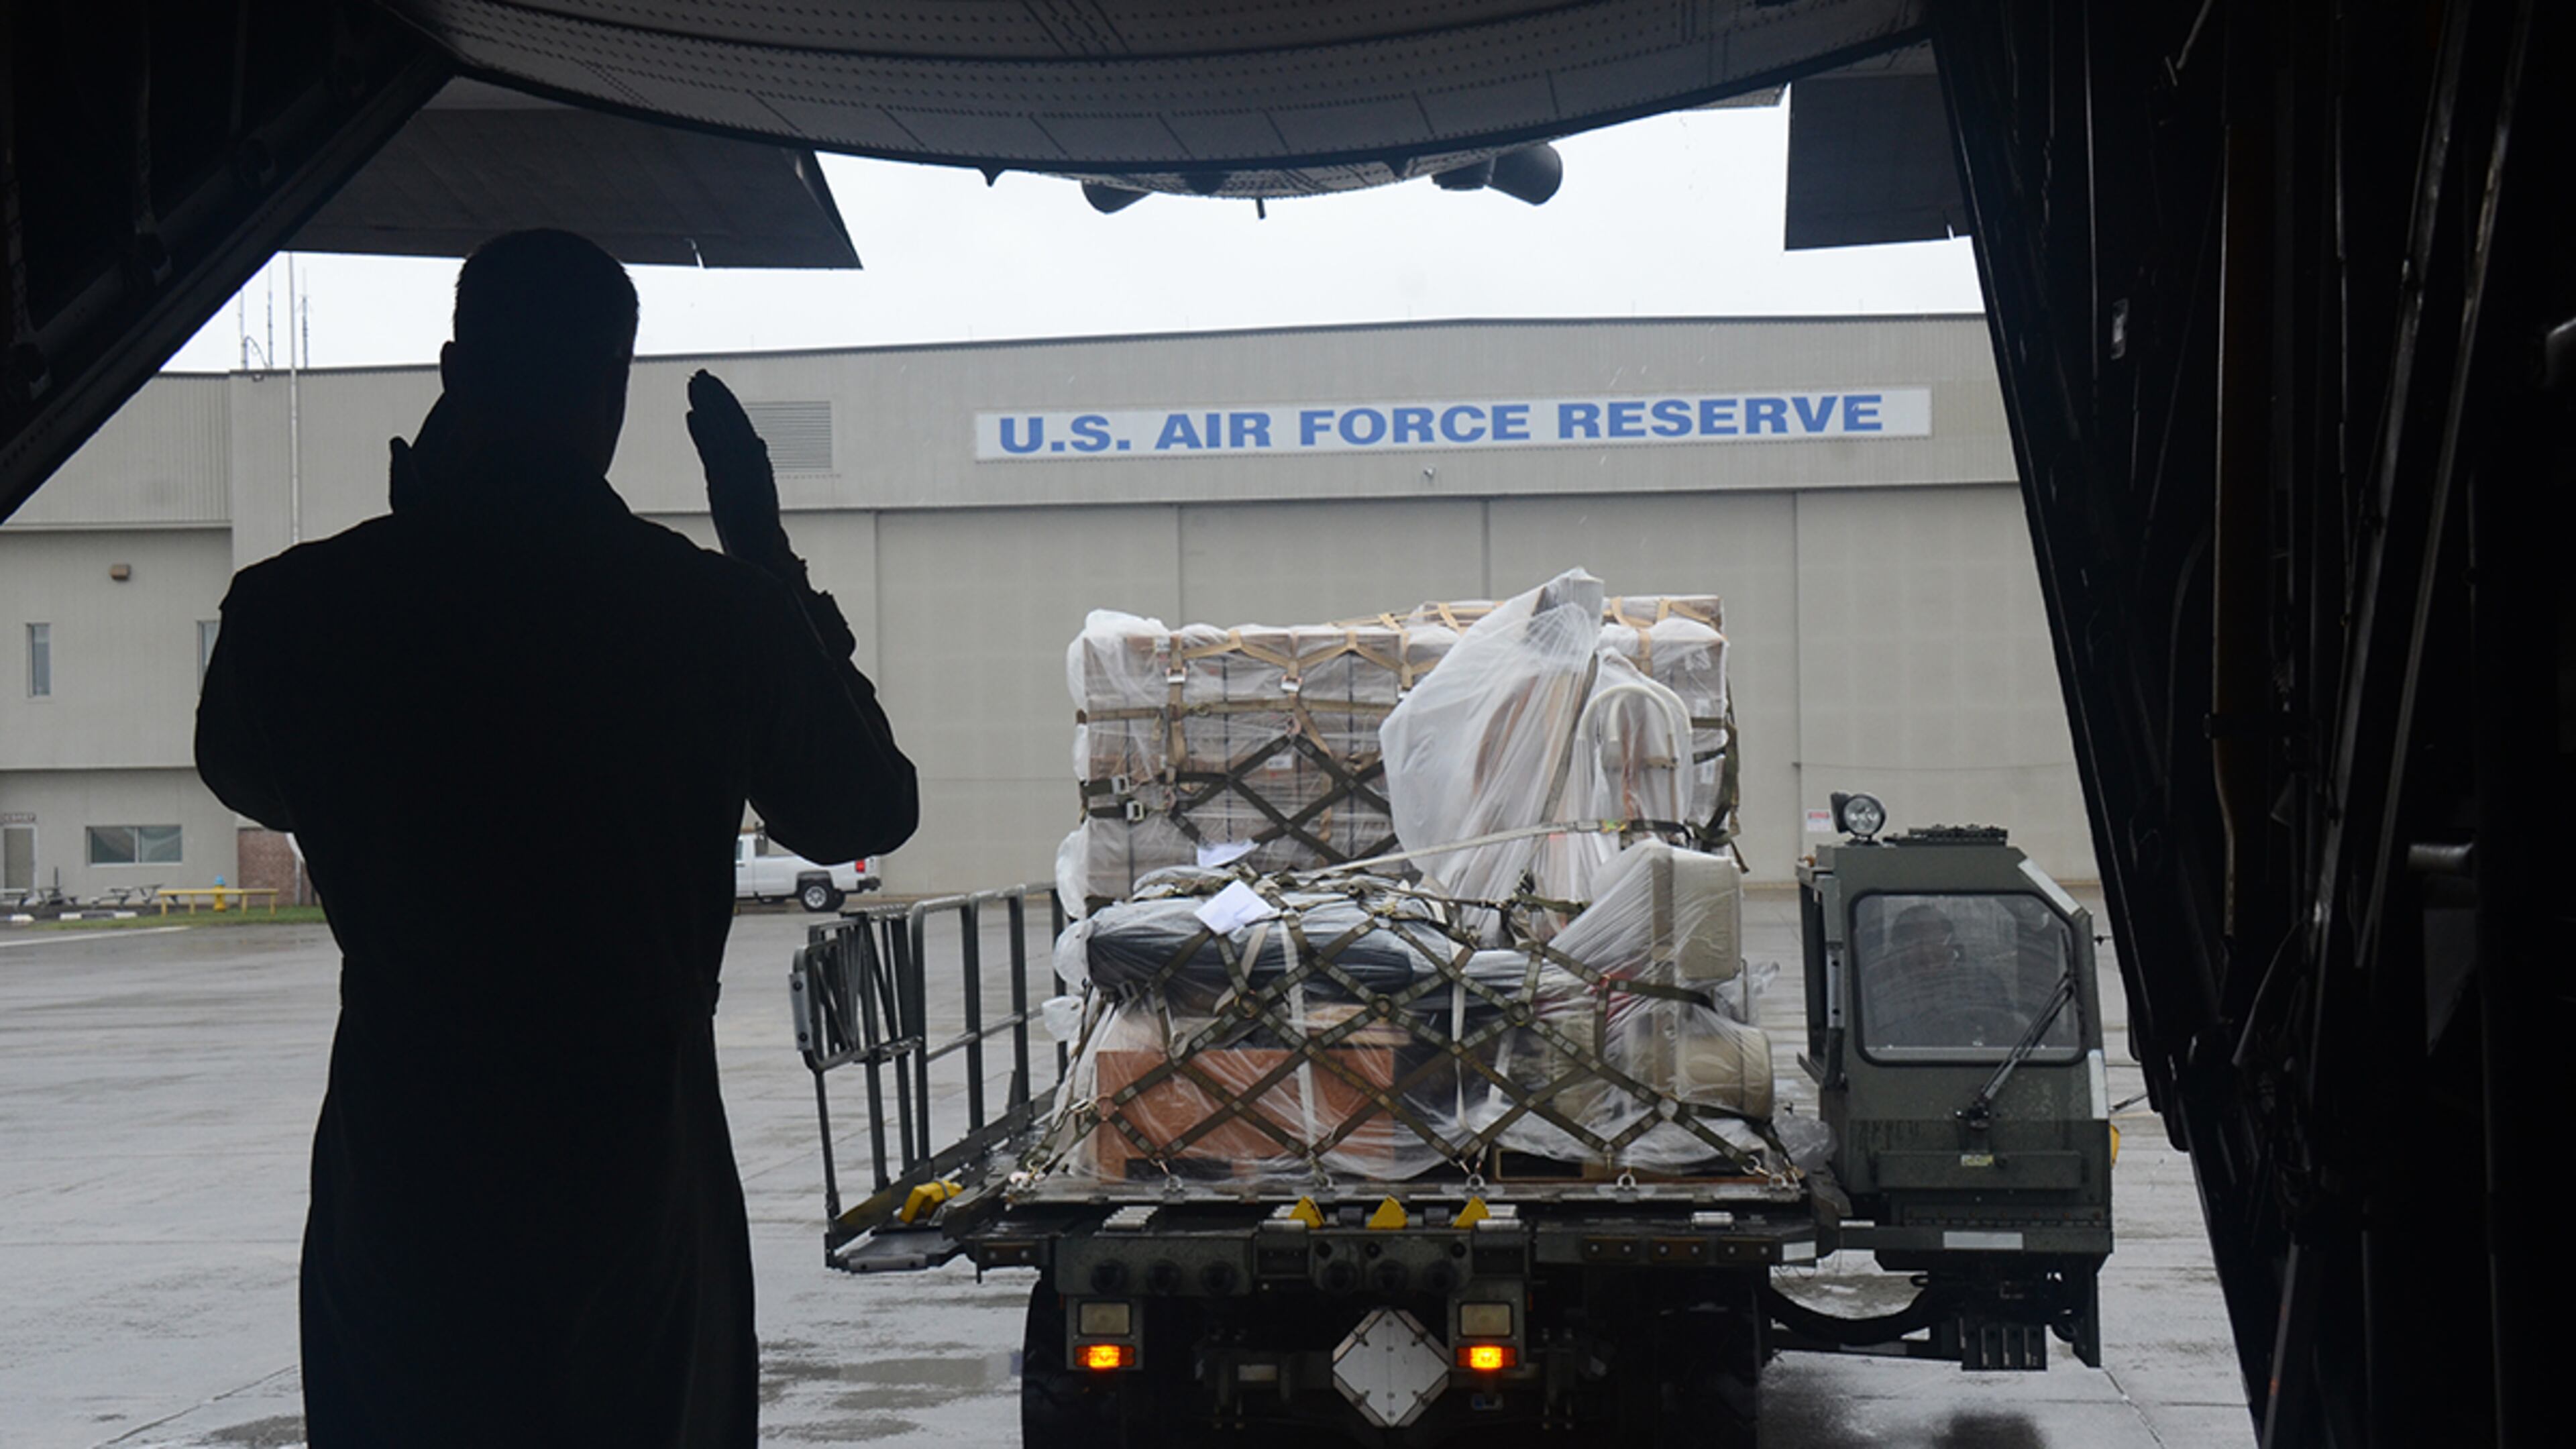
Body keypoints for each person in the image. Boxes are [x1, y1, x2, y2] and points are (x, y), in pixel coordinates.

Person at [195, 229, 916, 1447]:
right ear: (613, 391)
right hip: (631, 1174)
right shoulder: (710, 612)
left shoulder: (298, 606)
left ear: (452, 372)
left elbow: (249, 773)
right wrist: (763, 553)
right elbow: (864, 810)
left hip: (410, 1166)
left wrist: (415, 524)